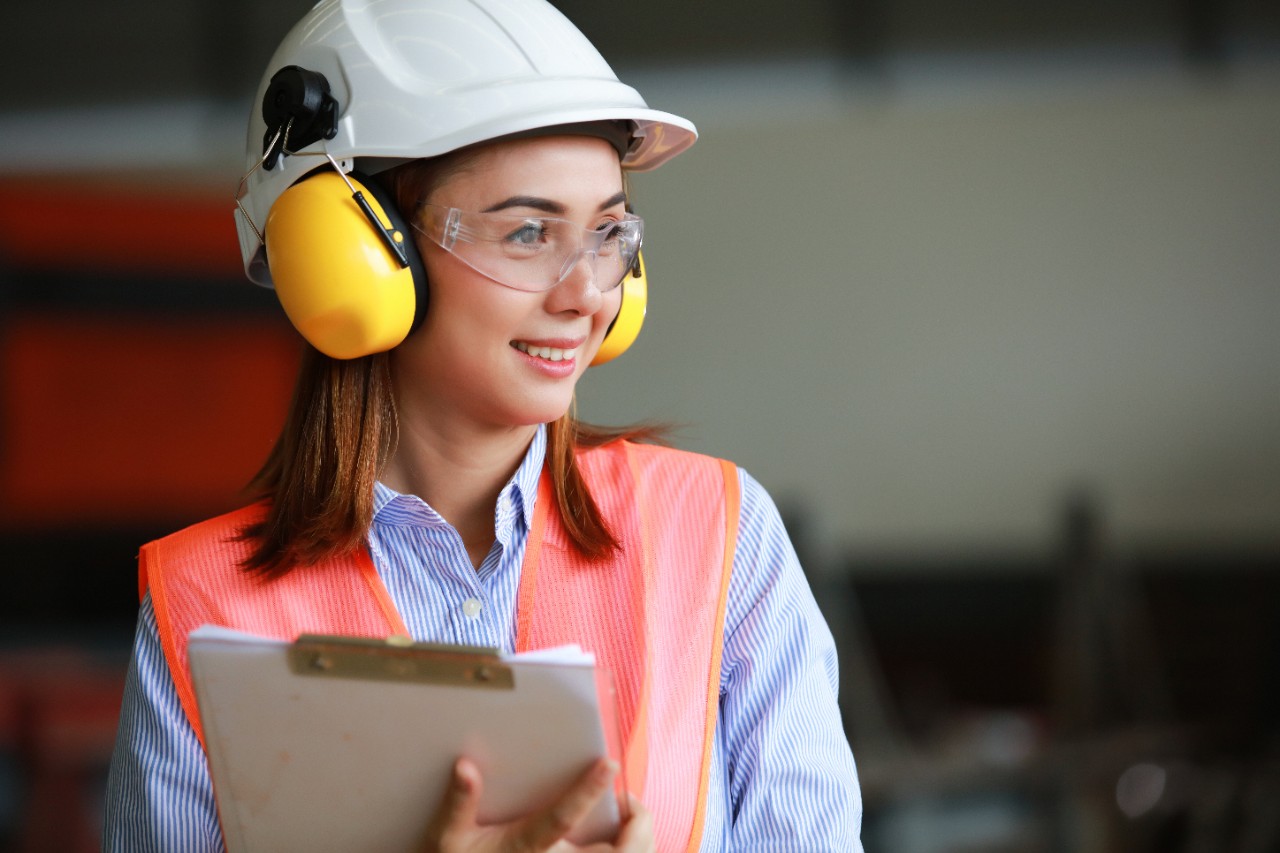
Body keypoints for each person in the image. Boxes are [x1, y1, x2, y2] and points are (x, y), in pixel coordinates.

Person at [103, 0, 863, 850]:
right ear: (355, 253)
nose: (586, 294)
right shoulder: (201, 605)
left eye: (608, 233)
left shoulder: (721, 535)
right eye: (530, 231)